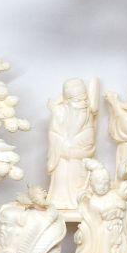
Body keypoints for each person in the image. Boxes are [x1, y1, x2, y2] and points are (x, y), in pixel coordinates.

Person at [47, 78, 100, 210]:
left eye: (84, 99)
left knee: (77, 179)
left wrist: (74, 146)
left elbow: (90, 135)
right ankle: (60, 199)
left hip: (79, 158)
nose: (82, 103)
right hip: (62, 157)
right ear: (67, 101)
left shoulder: (86, 112)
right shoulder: (60, 113)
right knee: (62, 175)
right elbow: (54, 134)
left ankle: (79, 200)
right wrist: (62, 145)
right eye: (77, 100)